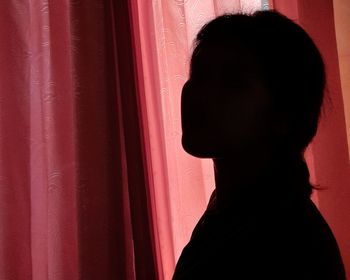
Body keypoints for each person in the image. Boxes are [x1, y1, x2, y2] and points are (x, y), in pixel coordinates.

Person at [172, 10, 346, 280]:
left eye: (232, 82)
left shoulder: (285, 242)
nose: (200, 93)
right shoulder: (233, 212)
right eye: (200, 73)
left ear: (284, 113)